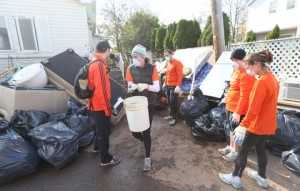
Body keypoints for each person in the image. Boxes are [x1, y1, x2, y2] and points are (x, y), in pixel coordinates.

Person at [219, 50, 280, 189]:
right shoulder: (273, 78)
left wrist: (243, 125)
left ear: (257, 64)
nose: (248, 70)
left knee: (242, 150)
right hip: (268, 124)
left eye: (249, 67)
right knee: (260, 149)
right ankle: (262, 177)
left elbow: (254, 108)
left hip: (257, 125)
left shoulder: (261, 83)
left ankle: (235, 177)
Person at [125, 44, 160, 171]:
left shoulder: (152, 68)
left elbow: (157, 88)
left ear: (143, 57)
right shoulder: (130, 68)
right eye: (133, 57)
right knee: (134, 131)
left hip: (148, 103)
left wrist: (146, 86)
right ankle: (141, 140)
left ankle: (147, 157)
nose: (134, 59)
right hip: (135, 103)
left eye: (137, 57)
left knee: (146, 131)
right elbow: (129, 86)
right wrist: (131, 88)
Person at [218, 49, 256, 162]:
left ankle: (235, 152)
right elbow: (232, 87)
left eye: (236, 60)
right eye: (232, 60)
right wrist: (226, 97)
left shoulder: (247, 74)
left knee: (236, 131)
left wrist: (238, 112)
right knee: (230, 128)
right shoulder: (236, 70)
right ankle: (230, 147)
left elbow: (244, 95)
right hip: (230, 105)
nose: (233, 62)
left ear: (243, 60)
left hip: (238, 109)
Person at [88, 40, 120, 166]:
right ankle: (105, 158)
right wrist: (108, 108)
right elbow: (102, 91)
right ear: (107, 50)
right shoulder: (99, 65)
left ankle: (97, 147)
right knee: (104, 132)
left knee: (99, 129)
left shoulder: (93, 61)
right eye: (109, 50)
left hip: (93, 104)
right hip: (100, 105)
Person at [163, 49, 183, 125]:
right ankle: (171, 115)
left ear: (171, 54)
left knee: (173, 102)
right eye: (165, 56)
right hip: (168, 85)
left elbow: (180, 75)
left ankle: (174, 118)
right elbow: (167, 74)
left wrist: (178, 85)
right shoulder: (168, 63)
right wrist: (164, 83)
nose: (166, 57)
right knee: (169, 101)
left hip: (174, 86)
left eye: (167, 55)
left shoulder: (177, 63)